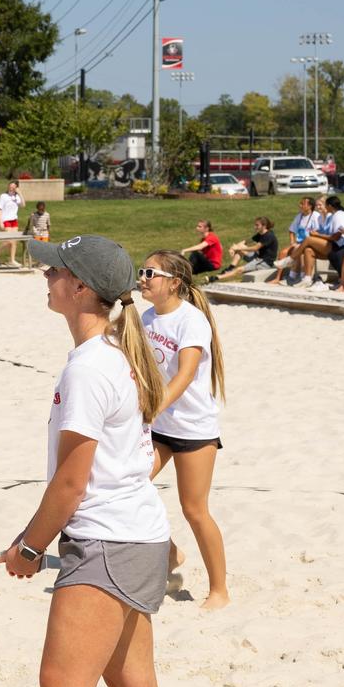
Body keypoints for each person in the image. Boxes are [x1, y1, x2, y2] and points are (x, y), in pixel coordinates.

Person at [0, 234, 173, 687]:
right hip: (138, 534)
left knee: (63, 686)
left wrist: (29, 548)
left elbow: (72, 481)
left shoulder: (91, 367)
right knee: (134, 685)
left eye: (54, 272)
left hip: (109, 541)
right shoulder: (116, 355)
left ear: (80, 288)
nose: (45, 278)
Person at [139, 251, 230, 610]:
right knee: (128, 484)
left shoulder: (191, 321)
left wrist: (154, 408)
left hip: (193, 429)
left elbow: (184, 375)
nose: (142, 277)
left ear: (173, 282)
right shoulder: (146, 317)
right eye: (141, 271)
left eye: (150, 272)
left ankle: (219, 590)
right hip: (159, 427)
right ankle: (170, 553)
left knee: (194, 509)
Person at [291, 195, 344, 288]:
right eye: (317, 205)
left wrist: (316, 235)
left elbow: (335, 237)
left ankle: (291, 260)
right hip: (330, 246)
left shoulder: (335, 216)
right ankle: (307, 279)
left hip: (337, 246)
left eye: (320, 205)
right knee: (308, 250)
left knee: (308, 240)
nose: (317, 207)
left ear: (327, 205)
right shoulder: (320, 218)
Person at [274, 196, 321, 284]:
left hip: (310, 243)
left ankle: (294, 276)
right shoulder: (299, 216)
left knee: (299, 251)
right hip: (299, 242)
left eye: (302, 204)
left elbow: (317, 233)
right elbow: (291, 230)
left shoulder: (315, 216)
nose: (300, 205)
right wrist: (292, 242)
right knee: (283, 252)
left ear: (310, 206)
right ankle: (277, 278)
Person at [215, 217, 277, 281]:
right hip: (258, 258)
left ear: (264, 226)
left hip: (264, 263)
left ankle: (216, 278)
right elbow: (245, 242)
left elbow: (255, 248)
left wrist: (238, 248)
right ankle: (230, 268)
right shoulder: (261, 234)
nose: (255, 227)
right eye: (255, 225)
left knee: (239, 269)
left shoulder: (268, 236)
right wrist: (233, 248)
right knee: (240, 247)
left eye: (257, 225)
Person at [0, 179, 24, 267]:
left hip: (14, 220)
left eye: (13, 187)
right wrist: (1, 222)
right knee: (9, 240)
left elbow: (23, 205)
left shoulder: (17, 197)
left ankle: (12, 260)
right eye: (10, 186)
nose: (11, 188)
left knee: (14, 241)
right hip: (6, 220)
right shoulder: (3, 196)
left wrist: (20, 193)